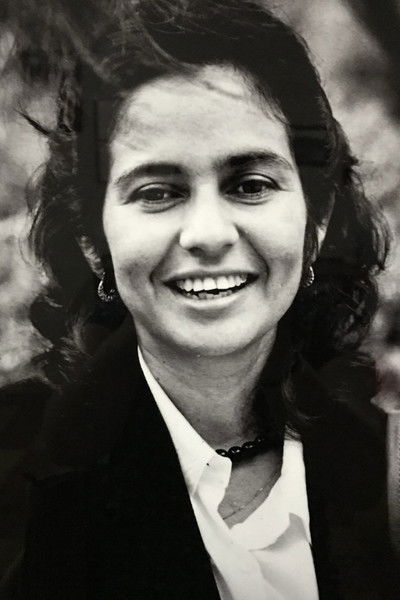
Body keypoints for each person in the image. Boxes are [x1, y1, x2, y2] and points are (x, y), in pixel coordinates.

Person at [1, 1, 399, 598]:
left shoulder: (387, 474)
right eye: (158, 192)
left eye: (250, 185)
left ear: (317, 219)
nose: (208, 234)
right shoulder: (14, 483)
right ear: (91, 238)